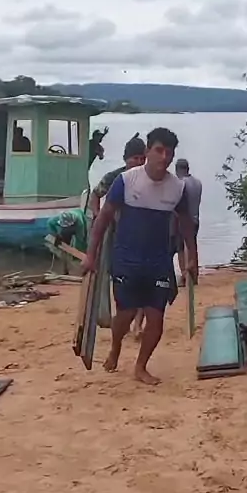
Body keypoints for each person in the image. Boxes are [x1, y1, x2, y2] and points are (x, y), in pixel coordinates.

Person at [81, 127, 198, 385]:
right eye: (159, 150)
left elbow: (186, 224)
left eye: (169, 153)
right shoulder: (126, 181)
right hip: (126, 259)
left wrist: (192, 258)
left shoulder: (177, 188)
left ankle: (140, 367)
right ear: (147, 151)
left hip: (159, 261)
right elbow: (103, 218)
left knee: (156, 318)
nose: (164, 157)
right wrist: (91, 255)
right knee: (125, 314)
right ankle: (115, 348)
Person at [89, 133, 147, 339]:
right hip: (116, 236)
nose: (138, 162)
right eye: (134, 158)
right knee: (119, 279)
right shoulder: (115, 178)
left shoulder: (150, 179)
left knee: (144, 280)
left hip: (142, 236)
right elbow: (95, 195)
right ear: (126, 159)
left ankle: (138, 324)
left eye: (142, 158)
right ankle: (123, 316)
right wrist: (98, 216)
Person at [175, 158, 202, 286]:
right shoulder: (197, 183)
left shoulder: (181, 183)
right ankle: (194, 275)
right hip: (196, 219)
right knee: (192, 247)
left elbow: (178, 205)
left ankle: (184, 276)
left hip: (184, 220)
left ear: (178, 170)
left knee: (181, 248)